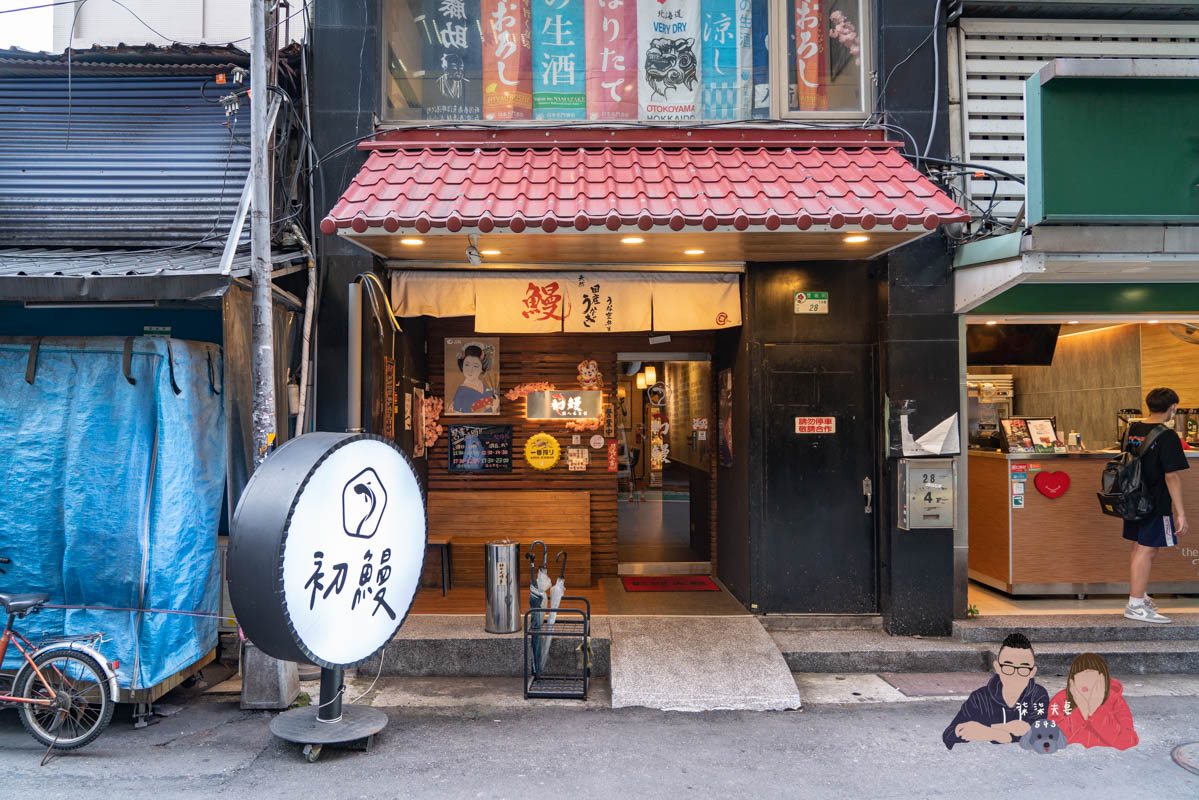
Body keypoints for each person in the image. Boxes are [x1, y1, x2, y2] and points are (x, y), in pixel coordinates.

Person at [1123, 387, 1189, 624]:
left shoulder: (1134, 429)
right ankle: (1135, 604)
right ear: (1173, 408)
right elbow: (1171, 476)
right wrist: (1180, 512)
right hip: (1155, 501)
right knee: (1147, 550)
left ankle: (1140, 597)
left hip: (1133, 499)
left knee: (1138, 547)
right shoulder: (1167, 436)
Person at [942, 632, 1049, 750]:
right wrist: (997, 733)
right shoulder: (980, 698)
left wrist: (990, 731)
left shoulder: (1038, 695)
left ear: (1033, 672)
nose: (1015, 675)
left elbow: (1040, 734)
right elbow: (949, 735)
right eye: (1008, 667)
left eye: (1023, 669)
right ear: (997, 667)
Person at [1047, 653, 1138, 750]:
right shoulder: (1060, 700)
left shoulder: (1115, 700)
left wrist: (1096, 710)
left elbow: (1128, 741)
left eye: (1090, 676)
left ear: (1102, 679)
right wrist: (1080, 712)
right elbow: (1050, 740)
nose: (1084, 682)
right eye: (1079, 676)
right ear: (1072, 681)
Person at [451, 344, 498, 414]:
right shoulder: (461, 391)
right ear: (462, 367)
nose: (470, 370)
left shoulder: (485, 386)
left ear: (481, 369)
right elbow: (458, 413)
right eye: (467, 365)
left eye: (475, 366)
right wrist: (492, 409)